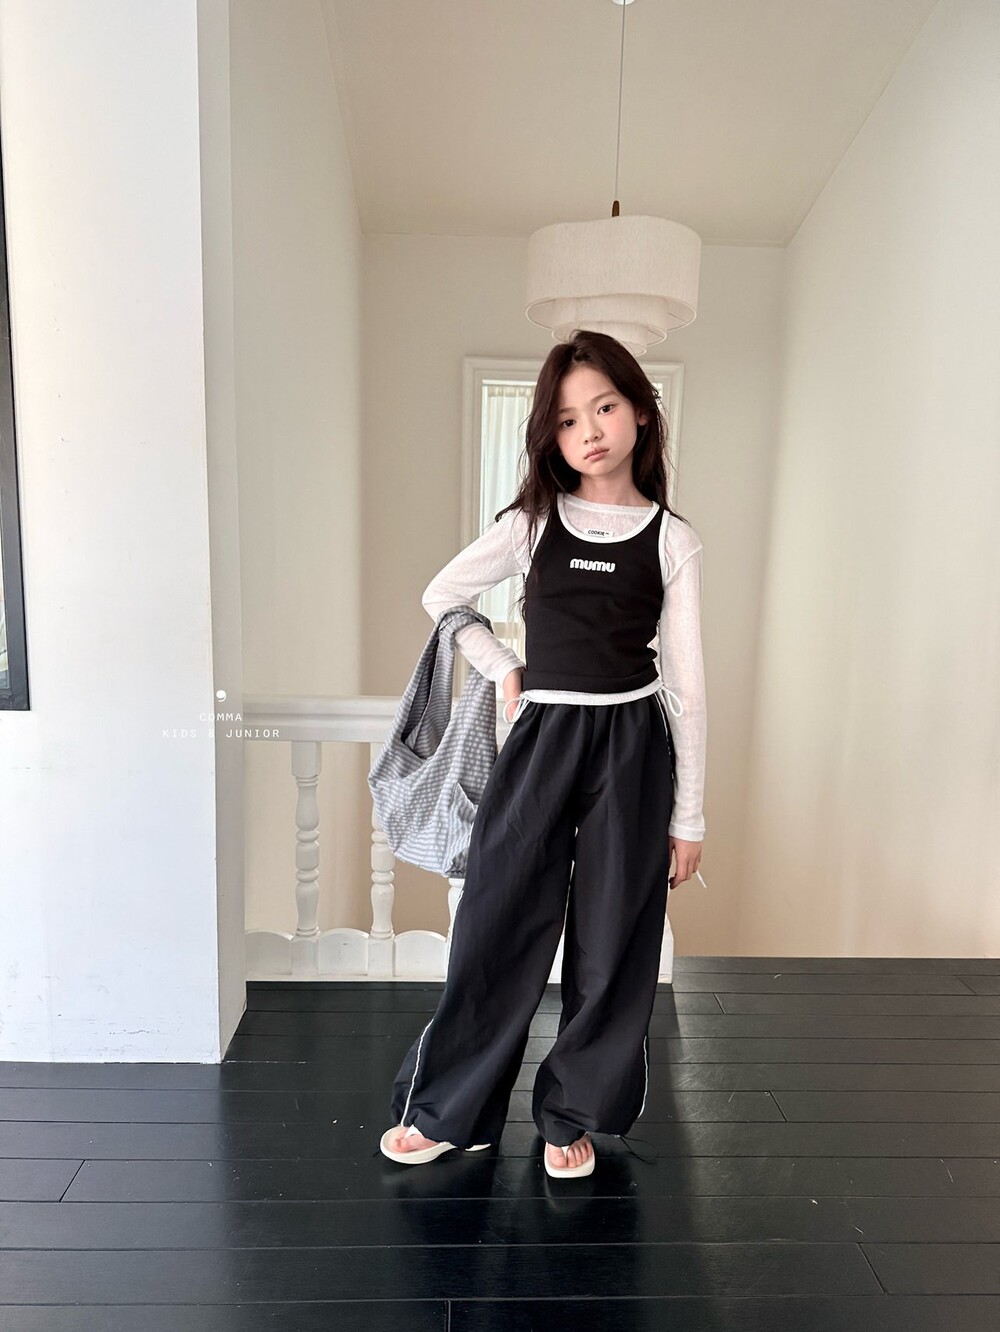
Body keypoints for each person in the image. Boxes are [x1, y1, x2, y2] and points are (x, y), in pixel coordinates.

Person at [379, 329, 706, 1179]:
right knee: (497, 921)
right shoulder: (532, 521)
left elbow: (688, 686)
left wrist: (691, 816)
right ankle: (450, 1109)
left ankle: (573, 1112)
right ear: (549, 436)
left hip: (634, 747)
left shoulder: (671, 539)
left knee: (615, 935)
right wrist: (502, 666)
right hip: (543, 740)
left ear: (641, 412)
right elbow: (442, 593)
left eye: (604, 408)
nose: (588, 431)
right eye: (566, 420)